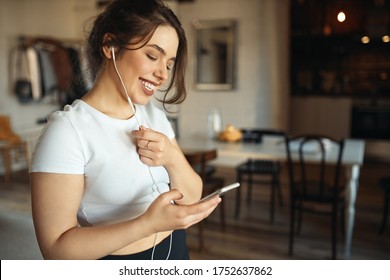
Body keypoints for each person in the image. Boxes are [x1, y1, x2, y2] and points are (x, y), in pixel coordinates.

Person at [30, 0, 221, 260]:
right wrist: (148, 224)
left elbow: (191, 196)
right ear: (110, 46)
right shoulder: (67, 132)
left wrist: (173, 159)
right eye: (152, 56)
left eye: (168, 64)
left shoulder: (154, 115)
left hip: (176, 251)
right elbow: (56, 251)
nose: (162, 74)